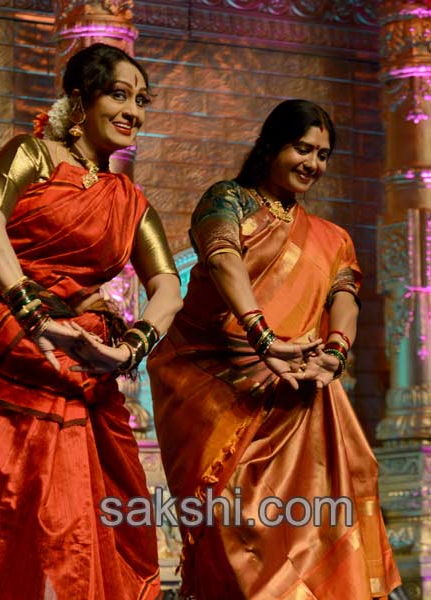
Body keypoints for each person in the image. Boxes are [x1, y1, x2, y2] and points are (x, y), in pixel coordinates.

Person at [0, 43, 182, 600]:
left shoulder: (128, 199)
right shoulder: (30, 155)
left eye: (142, 100)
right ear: (79, 102)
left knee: (94, 512)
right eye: (120, 95)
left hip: (84, 364)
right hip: (8, 340)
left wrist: (129, 349)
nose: (134, 111)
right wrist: (33, 314)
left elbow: (168, 285)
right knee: (16, 508)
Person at [147, 99, 401, 598]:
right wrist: (263, 338)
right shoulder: (227, 200)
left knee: (314, 522)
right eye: (302, 148)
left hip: (298, 395)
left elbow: (343, 297)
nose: (313, 164)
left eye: (323, 154)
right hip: (217, 387)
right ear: (270, 147)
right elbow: (222, 259)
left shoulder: (332, 239)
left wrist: (336, 350)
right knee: (234, 517)